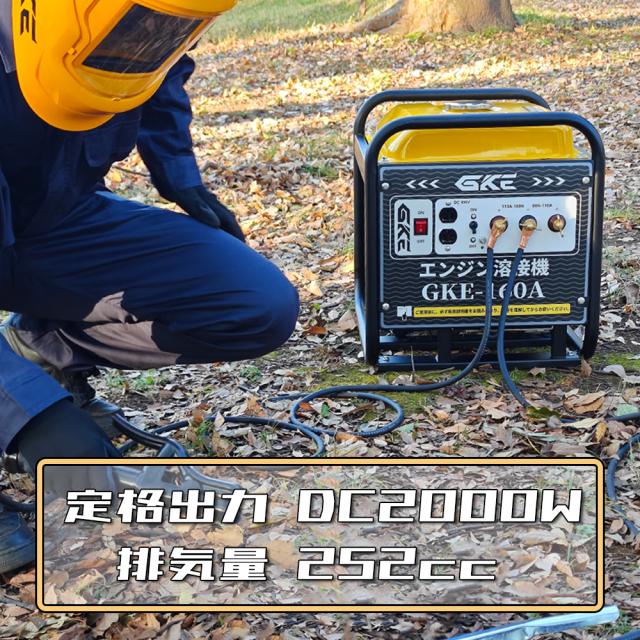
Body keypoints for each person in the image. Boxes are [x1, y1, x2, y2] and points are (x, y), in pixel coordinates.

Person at [0, 0, 299, 573]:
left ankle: (40, 347)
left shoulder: (136, 14)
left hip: (54, 217)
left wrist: (180, 178)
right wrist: (31, 418)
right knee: (29, 415)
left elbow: (156, 69)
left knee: (255, 303)